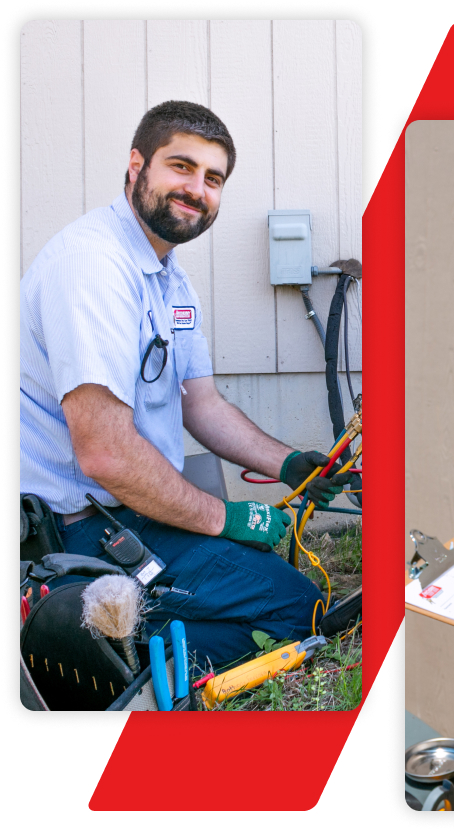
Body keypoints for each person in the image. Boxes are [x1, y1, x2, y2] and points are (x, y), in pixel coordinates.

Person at [21, 100, 351, 667]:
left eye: (213, 178)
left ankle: (119, 632)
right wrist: (231, 518)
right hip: (76, 533)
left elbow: (200, 404)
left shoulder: (170, 280)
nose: (196, 189)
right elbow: (104, 454)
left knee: (290, 597)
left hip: (132, 510)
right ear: (136, 165)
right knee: (300, 612)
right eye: (181, 166)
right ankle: (78, 649)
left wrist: (287, 462)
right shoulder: (94, 268)